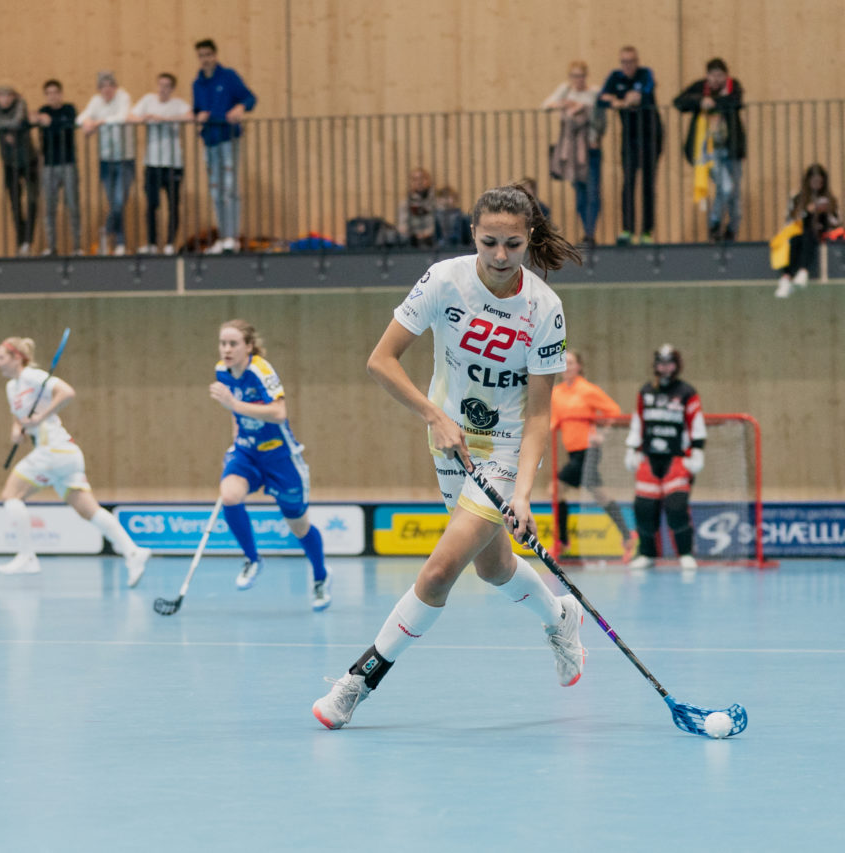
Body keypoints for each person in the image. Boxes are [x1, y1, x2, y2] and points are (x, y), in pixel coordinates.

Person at [312, 184, 584, 730]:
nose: (501, 257)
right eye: (490, 243)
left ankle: (357, 681)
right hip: (448, 439)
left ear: (529, 237)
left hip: (505, 447)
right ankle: (559, 616)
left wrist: (525, 495)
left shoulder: (544, 309)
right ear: (473, 236)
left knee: (439, 571)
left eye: (513, 244)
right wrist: (433, 415)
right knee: (494, 566)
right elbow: (381, 361)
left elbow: (537, 414)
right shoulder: (444, 280)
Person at [0, 336, 151, 585]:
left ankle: (26, 556)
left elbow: (67, 392)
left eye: (1, 357)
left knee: (11, 496)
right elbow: (19, 417)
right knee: (88, 510)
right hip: (60, 454)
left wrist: (40, 417)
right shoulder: (11, 387)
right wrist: (18, 429)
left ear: (17, 358)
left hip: (54, 450)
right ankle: (133, 551)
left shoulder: (34, 377)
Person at [210, 320, 333, 611]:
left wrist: (234, 404)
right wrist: (236, 437)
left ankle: (320, 577)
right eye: (222, 343)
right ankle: (253, 559)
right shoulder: (221, 371)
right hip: (247, 453)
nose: (226, 349)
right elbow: (233, 413)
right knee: (229, 495)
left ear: (248, 346)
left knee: (299, 526)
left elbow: (279, 413)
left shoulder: (260, 371)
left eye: (233, 344)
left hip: (280, 458)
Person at [624, 345, 705, 571]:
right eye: (661, 362)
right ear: (656, 365)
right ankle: (647, 554)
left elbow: (696, 422)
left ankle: (686, 554)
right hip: (648, 459)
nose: (665, 367)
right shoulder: (646, 391)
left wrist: (697, 451)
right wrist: (631, 448)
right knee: (644, 508)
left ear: (676, 365)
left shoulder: (687, 392)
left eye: (669, 363)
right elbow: (638, 421)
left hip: (677, 460)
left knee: (677, 508)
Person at [550, 352, 634, 560]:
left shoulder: (587, 390)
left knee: (555, 489)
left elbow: (613, 410)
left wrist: (602, 434)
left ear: (579, 366)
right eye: (564, 363)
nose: (567, 366)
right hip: (572, 453)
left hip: (589, 451)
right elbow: (554, 421)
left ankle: (562, 543)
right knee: (600, 495)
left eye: (571, 362)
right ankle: (628, 535)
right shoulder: (556, 393)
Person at [192, 39, 257, 254]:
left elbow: (250, 98)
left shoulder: (228, 76)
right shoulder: (197, 84)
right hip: (209, 141)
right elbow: (196, 110)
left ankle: (232, 236)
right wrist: (198, 116)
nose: (205, 59)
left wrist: (239, 108)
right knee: (216, 190)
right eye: (201, 55)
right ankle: (223, 235)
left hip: (228, 138)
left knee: (230, 188)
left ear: (215, 55)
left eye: (208, 54)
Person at [673, 58, 745, 243]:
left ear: (726, 75)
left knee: (735, 195)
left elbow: (735, 101)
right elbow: (679, 102)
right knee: (726, 187)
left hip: (730, 149)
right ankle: (714, 223)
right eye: (712, 75)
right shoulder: (700, 88)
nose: (716, 80)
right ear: (707, 76)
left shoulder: (733, 86)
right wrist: (700, 101)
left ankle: (731, 230)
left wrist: (714, 102)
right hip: (709, 151)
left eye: (720, 75)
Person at [600, 46, 661, 245]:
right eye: (624, 62)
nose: (628, 65)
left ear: (637, 61)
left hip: (651, 136)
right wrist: (618, 101)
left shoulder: (645, 74)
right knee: (628, 182)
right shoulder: (615, 77)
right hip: (629, 138)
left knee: (647, 184)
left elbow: (640, 95)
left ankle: (646, 232)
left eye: (631, 61)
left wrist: (622, 100)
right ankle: (627, 230)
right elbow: (602, 98)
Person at [130, 73, 192, 255]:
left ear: (172, 89)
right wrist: (146, 118)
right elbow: (130, 117)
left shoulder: (178, 104)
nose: (162, 89)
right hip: (152, 163)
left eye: (167, 86)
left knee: (173, 204)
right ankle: (151, 243)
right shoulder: (148, 100)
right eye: (160, 85)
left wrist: (165, 119)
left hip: (173, 163)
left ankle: (170, 243)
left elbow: (190, 117)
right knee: (151, 205)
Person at [542, 61, 603, 246]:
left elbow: (598, 117)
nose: (578, 80)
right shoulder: (566, 90)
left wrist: (579, 105)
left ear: (586, 76)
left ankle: (590, 233)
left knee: (593, 193)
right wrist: (565, 102)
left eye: (581, 75)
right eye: (574, 76)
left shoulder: (594, 92)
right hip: (572, 152)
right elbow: (546, 105)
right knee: (580, 194)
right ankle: (587, 232)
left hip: (590, 148)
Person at [78, 72, 136, 255]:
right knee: (114, 204)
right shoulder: (96, 101)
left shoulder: (123, 97)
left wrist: (99, 122)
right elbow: (80, 119)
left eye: (110, 85)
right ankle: (120, 243)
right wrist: (88, 122)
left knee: (119, 201)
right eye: (103, 86)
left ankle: (106, 230)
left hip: (125, 158)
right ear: (99, 89)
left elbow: (122, 117)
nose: (107, 89)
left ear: (115, 86)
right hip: (106, 160)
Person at [0, 85, 39, 256]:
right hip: (10, 163)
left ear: (14, 96)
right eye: (1, 96)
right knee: (15, 204)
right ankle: (22, 242)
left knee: (33, 201)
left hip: (29, 161)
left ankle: (28, 240)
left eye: (8, 95)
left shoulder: (21, 103)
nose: (4, 99)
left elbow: (17, 121)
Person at [775, 164, 840, 297]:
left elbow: (837, 222)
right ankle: (787, 276)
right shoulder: (798, 197)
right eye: (814, 181)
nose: (817, 185)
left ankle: (802, 271)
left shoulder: (830, 199)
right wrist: (807, 211)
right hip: (802, 232)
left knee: (808, 235)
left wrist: (827, 212)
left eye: (820, 182)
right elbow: (789, 220)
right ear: (808, 181)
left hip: (823, 233)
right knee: (796, 239)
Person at [33, 80, 81, 256]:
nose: (52, 96)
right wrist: (41, 119)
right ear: (46, 95)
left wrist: (50, 122)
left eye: (55, 92)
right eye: (49, 93)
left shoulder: (69, 109)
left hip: (68, 163)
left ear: (61, 93)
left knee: (73, 205)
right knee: (49, 208)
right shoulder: (43, 111)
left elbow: (68, 124)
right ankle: (51, 246)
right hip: (49, 166)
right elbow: (34, 121)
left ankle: (77, 246)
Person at [396, 167, 436, 247]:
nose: (419, 182)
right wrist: (413, 234)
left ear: (429, 181)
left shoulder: (437, 202)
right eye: (415, 179)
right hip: (411, 240)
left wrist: (427, 233)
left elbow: (440, 224)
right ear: (411, 183)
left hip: (432, 239)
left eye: (422, 178)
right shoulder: (405, 204)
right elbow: (402, 226)